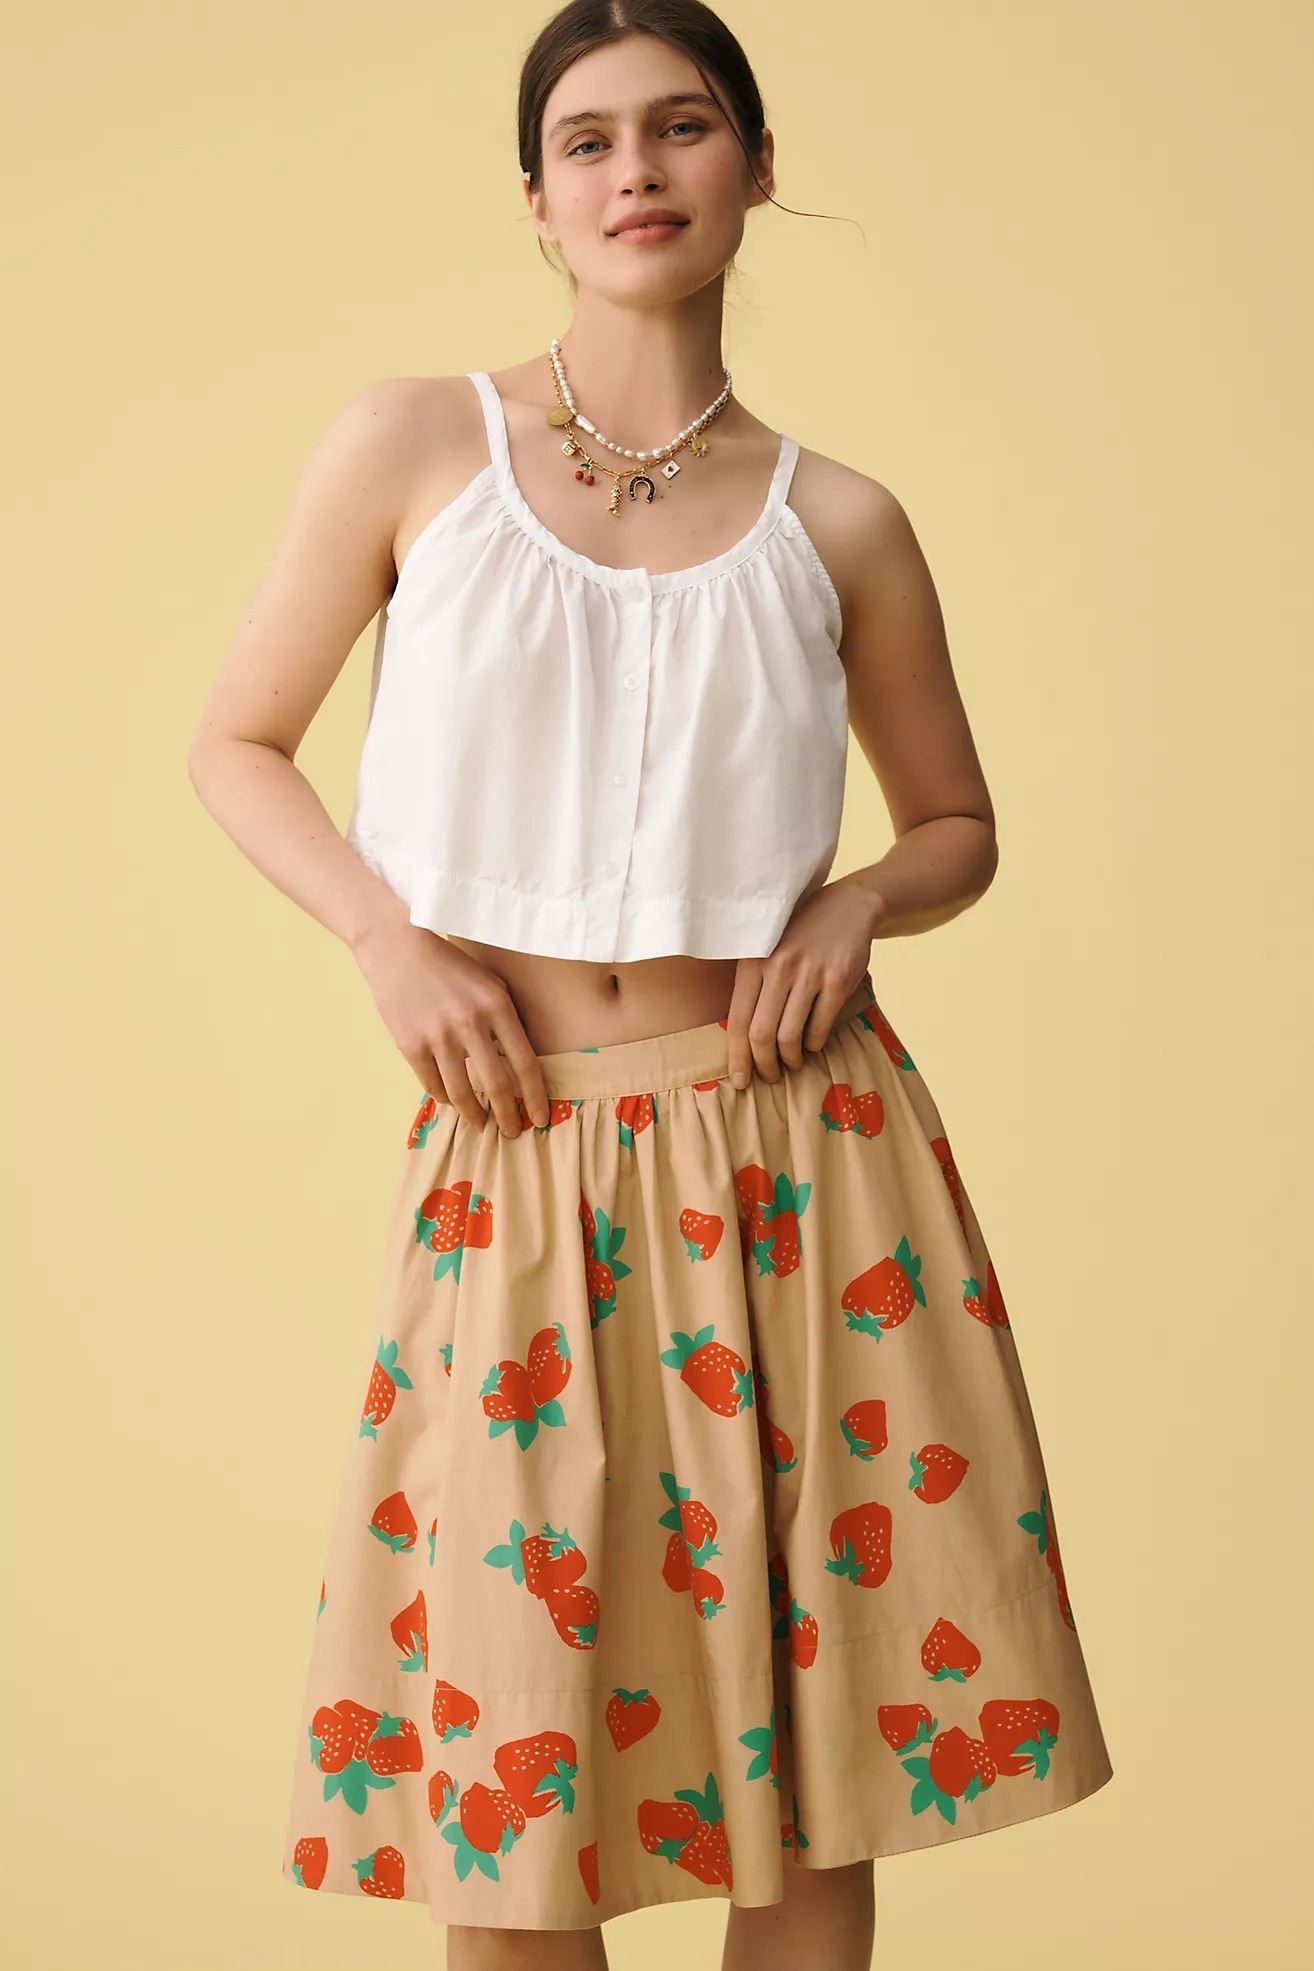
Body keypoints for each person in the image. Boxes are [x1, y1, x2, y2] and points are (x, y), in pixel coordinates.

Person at [187, 4, 1113, 1965]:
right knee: (521, 1781)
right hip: (525, 1160)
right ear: (537, 200)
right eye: (590, 141)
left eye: (681, 128)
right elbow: (235, 743)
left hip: (807, 1162)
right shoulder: (414, 441)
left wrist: (857, 905)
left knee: (811, 1770)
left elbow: (956, 818)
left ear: (751, 169)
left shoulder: (838, 519)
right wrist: (385, 934)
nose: (636, 171)